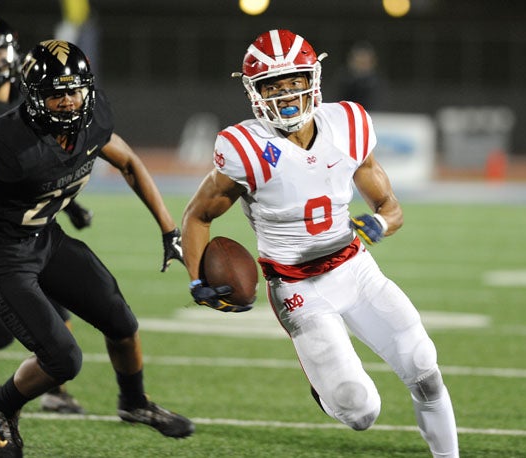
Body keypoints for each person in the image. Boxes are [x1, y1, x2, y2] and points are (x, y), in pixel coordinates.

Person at [181, 29, 459, 457]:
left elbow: (390, 207)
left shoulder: (346, 124)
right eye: (273, 85)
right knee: (360, 411)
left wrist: (381, 224)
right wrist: (197, 279)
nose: (286, 94)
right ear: (254, 91)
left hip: (356, 269)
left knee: (423, 364)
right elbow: (199, 215)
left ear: (314, 79)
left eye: (294, 81)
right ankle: (326, 390)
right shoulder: (244, 146)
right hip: (298, 289)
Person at [0, 40, 193, 457]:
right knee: (63, 359)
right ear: (31, 96)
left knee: (121, 320)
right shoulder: (9, 143)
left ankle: (134, 403)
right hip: (0, 255)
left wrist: (169, 230)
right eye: (55, 93)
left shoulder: (95, 115)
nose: (67, 102)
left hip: (44, 237)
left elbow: (130, 162)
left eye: (73, 91)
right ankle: (1, 403)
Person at [0, 16, 90, 414]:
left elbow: (47, 157)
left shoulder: (28, 93)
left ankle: (55, 387)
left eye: (1, 48)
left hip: (23, 220)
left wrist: (75, 203)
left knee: (56, 297)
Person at [338, 41, 383, 111]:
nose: (360, 66)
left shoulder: (377, 83)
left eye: (363, 63)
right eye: (358, 62)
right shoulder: (344, 81)